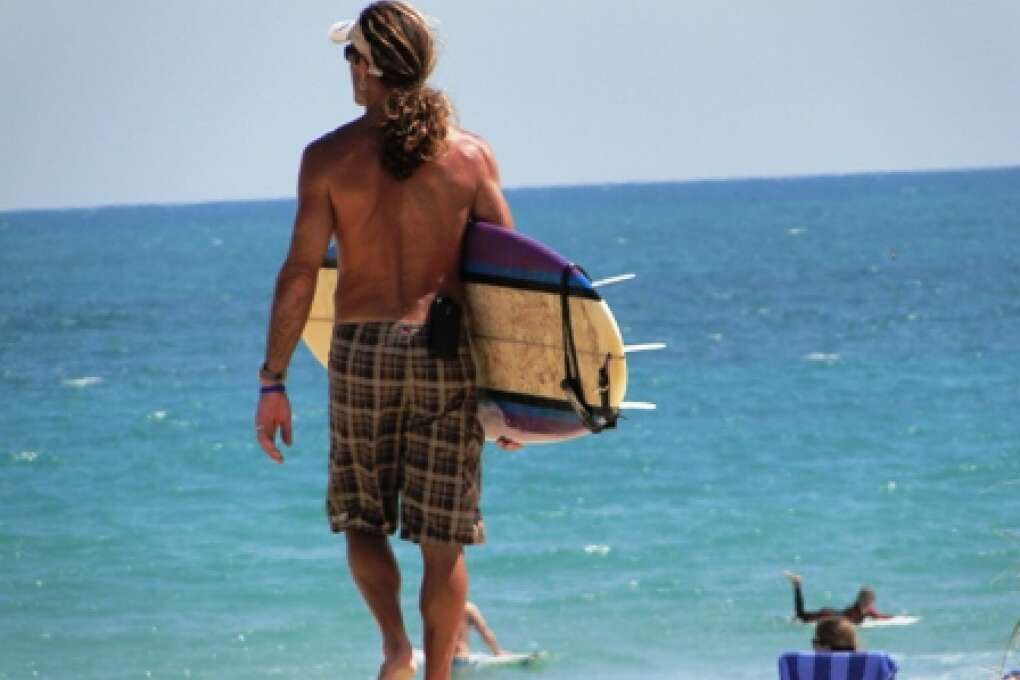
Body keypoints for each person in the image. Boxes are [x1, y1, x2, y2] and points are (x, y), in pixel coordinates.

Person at [254, 3, 519, 679]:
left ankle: (397, 647)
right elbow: (509, 278)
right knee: (444, 536)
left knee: (362, 519)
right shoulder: (470, 156)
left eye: (350, 56)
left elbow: (300, 274)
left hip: (363, 350)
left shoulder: (327, 158)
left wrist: (273, 380)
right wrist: (516, 393)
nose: (347, 68)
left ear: (367, 67)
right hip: (445, 349)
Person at [785, 571, 892, 625]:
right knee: (800, 616)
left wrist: (896, 618)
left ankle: (797, 585)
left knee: (800, 616)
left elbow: (880, 617)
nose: (872, 602)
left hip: (832, 614)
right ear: (864, 599)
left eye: (872, 600)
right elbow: (844, 621)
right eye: (871, 599)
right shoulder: (856, 610)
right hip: (828, 615)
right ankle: (797, 585)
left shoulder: (866, 610)